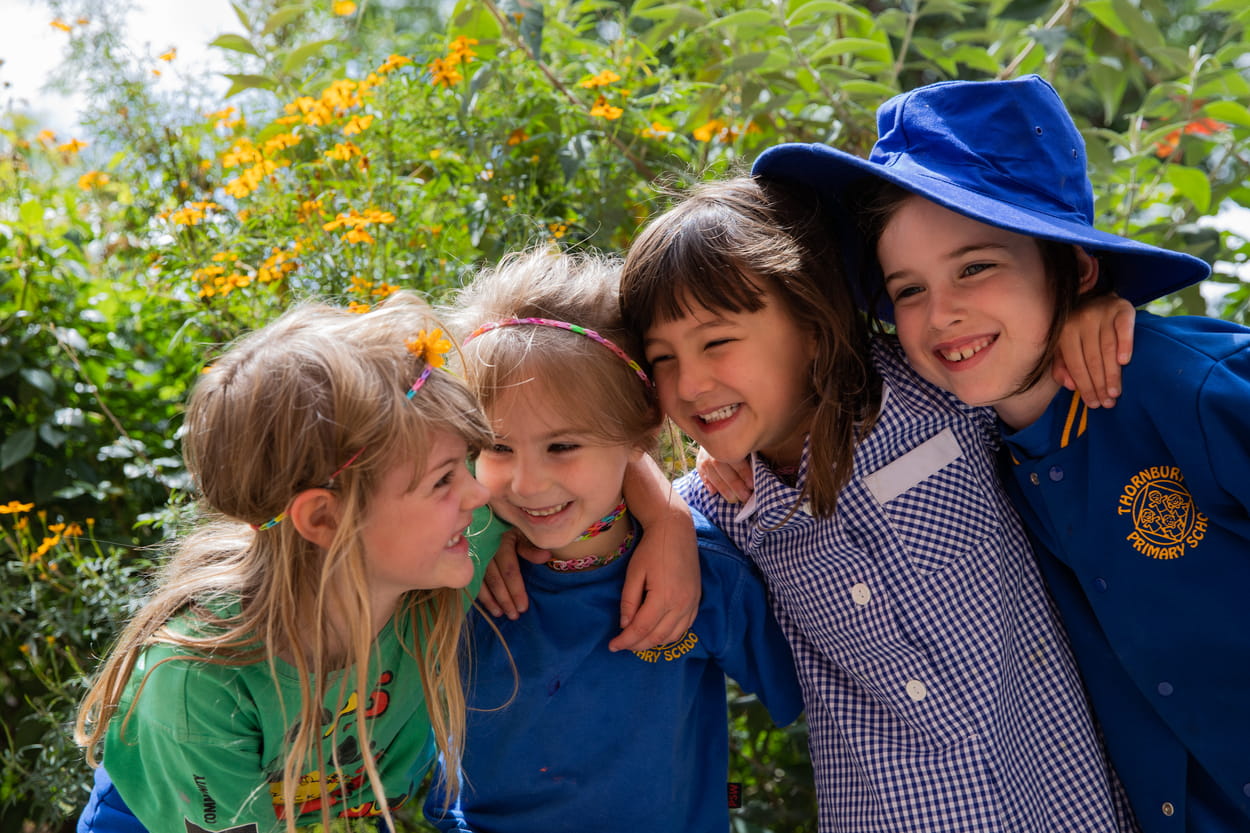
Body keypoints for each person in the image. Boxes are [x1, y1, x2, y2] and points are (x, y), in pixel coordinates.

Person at [763, 74, 1247, 832]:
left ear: (1076, 266)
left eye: (975, 266)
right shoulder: (960, 437)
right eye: (907, 288)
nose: (942, 312)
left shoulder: (1180, 388)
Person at [619, 172, 1143, 832]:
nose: (690, 383)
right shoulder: (722, 511)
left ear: (812, 320)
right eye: (662, 358)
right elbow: (570, 484)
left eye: (717, 341)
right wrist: (661, 509)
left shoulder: (941, 391)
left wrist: (1085, 312)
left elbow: (1022, 350)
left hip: (1070, 804)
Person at [74, 291, 506, 833]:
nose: (480, 494)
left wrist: (650, 513)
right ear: (323, 520)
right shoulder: (198, 683)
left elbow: (578, 382)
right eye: (443, 479)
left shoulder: (434, 556)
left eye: (468, 463)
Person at [422, 249, 804, 832]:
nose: (526, 483)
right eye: (498, 447)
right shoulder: (455, 568)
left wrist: (675, 520)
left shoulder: (707, 575)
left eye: (563, 447)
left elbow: (824, 700)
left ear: (640, 430)